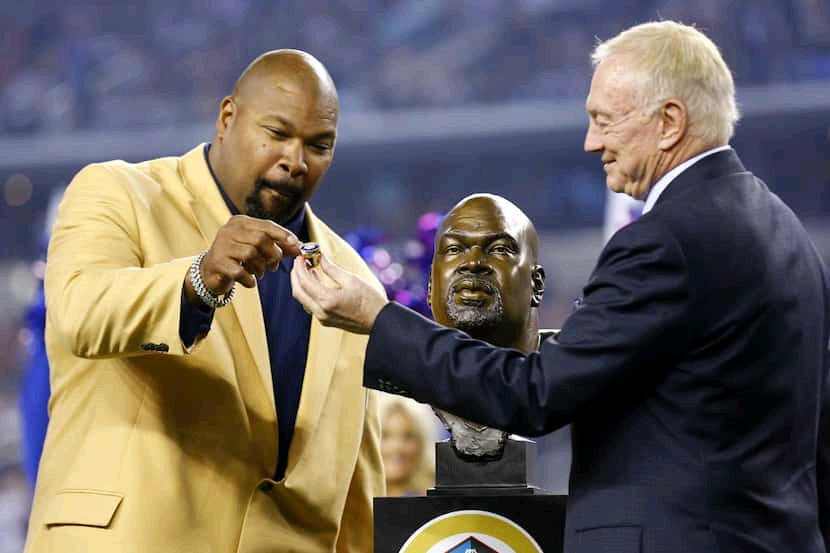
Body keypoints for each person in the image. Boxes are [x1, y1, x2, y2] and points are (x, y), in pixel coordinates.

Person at [292, 21, 830, 553]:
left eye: (604, 120)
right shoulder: (785, 232)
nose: (592, 142)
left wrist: (377, 317)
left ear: (669, 122)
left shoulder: (671, 239)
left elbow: (537, 395)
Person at [26, 50, 386, 553]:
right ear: (227, 118)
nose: (296, 161)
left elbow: (357, 480)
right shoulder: (119, 192)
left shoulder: (351, 276)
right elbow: (80, 315)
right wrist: (197, 279)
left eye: (318, 145)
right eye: (277, 134)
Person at [425, 193, 550, 460]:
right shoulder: (399, 382)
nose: (472, 264)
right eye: (455, 249)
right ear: (430, 286)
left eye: (499, 249)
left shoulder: (574, 379)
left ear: (537, 285)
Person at [378, 394, 437, 497]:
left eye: (408, 436)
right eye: (386, 436)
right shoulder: (353, 499)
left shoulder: (435, 496)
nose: (397, 447)